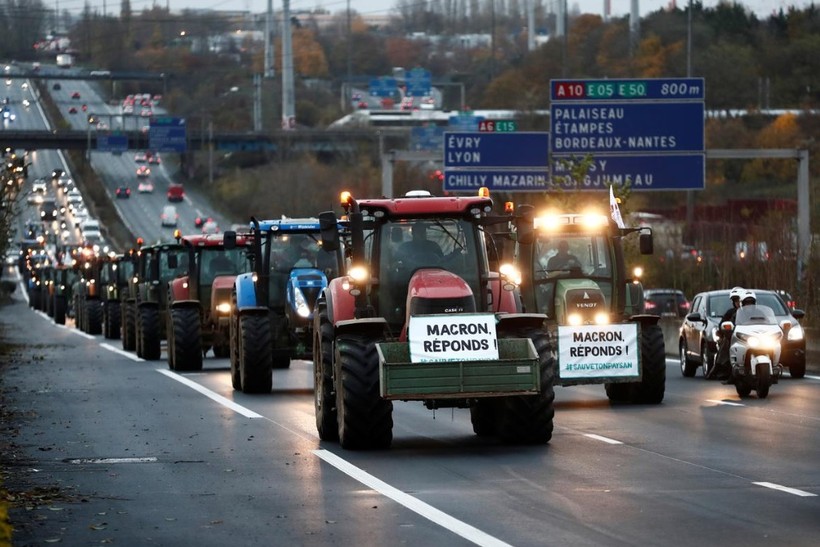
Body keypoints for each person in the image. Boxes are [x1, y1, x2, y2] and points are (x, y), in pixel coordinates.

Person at [711, 286, 744, 380]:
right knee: (726, 342)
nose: (738, 303)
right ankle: (719, 366)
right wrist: (726, 330)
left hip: (749, 337)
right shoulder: (731, 312)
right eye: (736, 301)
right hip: (734, 337)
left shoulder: (753, 312)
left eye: (739, 300)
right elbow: (721, 325)